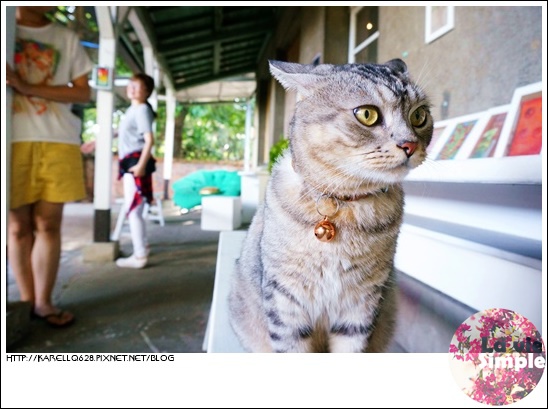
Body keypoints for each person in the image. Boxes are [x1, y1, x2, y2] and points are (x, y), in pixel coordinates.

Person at [6, 6, 93, 327]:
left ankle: (43, 302)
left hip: (58, 140)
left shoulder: (65, 37)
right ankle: (26, 303)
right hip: (10, 141)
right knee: (16, 228)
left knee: (48, 224)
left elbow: (84, 91)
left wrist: (27, 87)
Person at [114, 73, 157, 269]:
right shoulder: (133, 110)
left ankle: (139, 255)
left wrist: (140, 166)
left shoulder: (141, 110)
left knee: (133, 210)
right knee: (135, 209)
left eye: (138, 86)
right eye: (131, 84)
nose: (132, 88)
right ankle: (143, 248)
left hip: (135, 162)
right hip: (131, 162)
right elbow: (124, 133)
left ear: (147, 92)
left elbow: (149, 140)